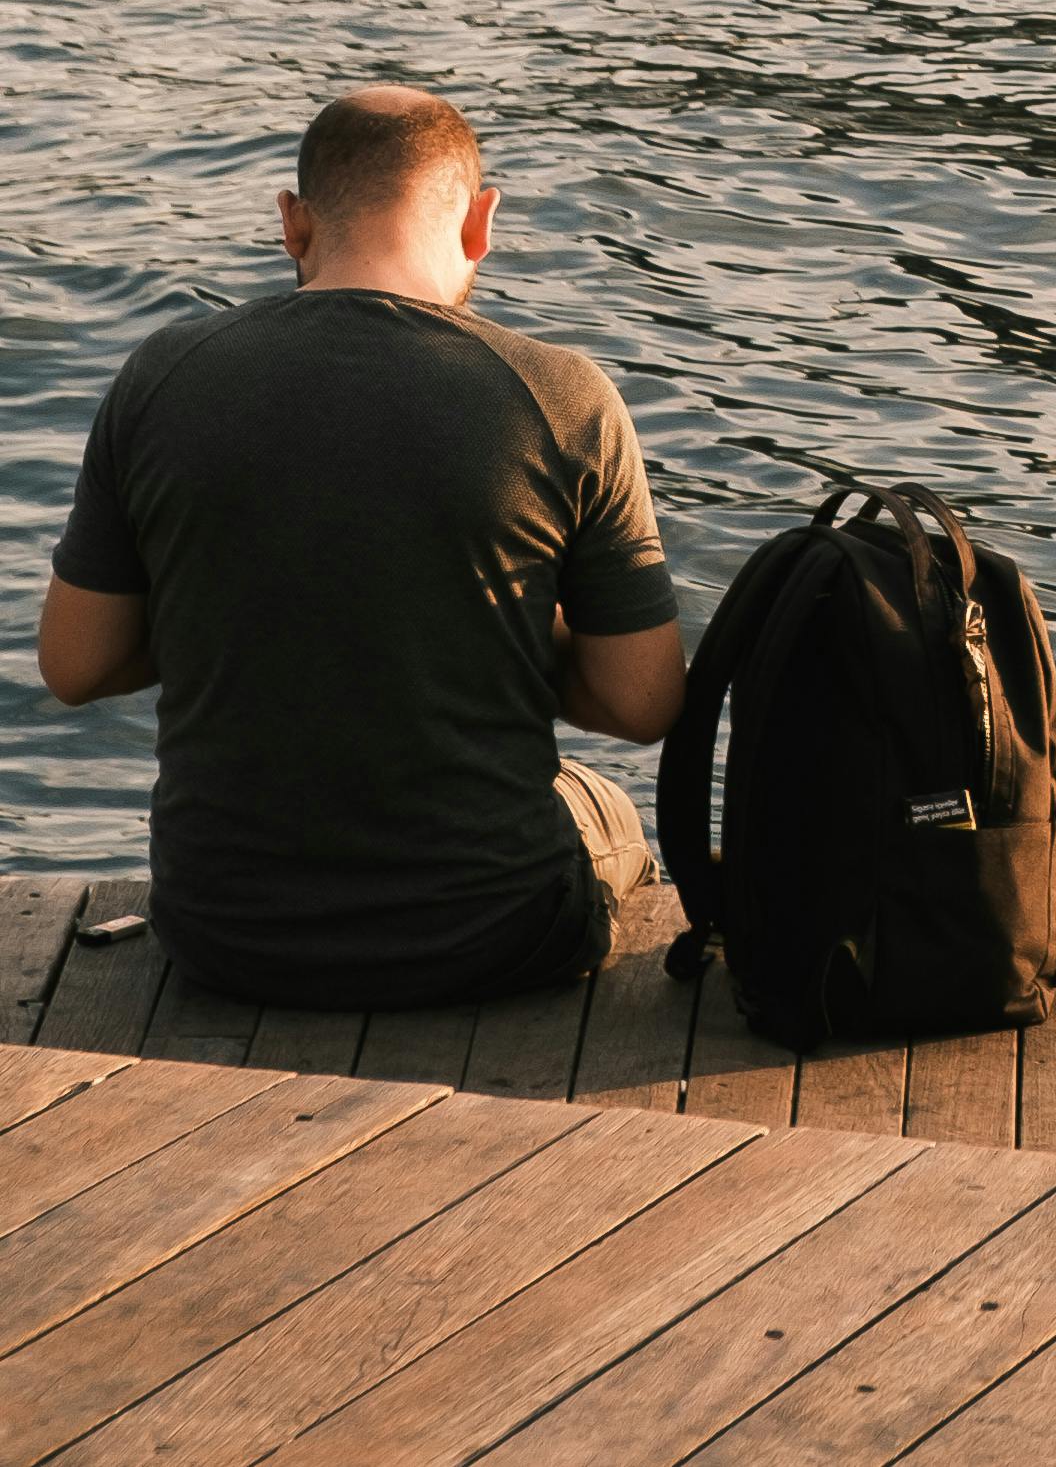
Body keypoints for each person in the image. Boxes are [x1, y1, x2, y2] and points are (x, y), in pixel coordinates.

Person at [34, 81, 687, 1012]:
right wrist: (478, 625)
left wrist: (250, 607)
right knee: (605, 805)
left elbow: (76, 664)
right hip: (494, 935)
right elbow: (642, 702)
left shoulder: (161, 376)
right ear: (481, 224)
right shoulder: (563, 396)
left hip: (224, 935)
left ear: (292, 222)